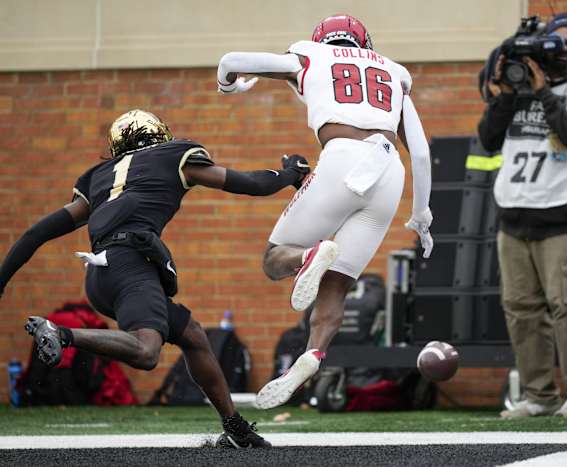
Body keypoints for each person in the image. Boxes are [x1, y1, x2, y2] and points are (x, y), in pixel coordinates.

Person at [0, 109, 310, 447]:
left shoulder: (99, 176)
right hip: (131, 263)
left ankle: (235, 429)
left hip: (100, 275)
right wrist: (290, 172)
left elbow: (35, 233)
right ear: (160, 135)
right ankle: (60, 333)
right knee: (147, 351)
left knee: (191, 335)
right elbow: (252, 184)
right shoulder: (174, 157)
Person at [216, 14, 434, 409]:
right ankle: (314, 353)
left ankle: (309, 255)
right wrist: (421, 215)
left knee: (273, 260)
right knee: (337, 284)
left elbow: (231, 60)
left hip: (342, 159)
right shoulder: (393, 72)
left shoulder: (309, 54)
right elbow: (419, 152)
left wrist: (228, 84)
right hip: (390, 174)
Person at [478, 13, 567, 418]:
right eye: (559, 41)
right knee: (520, 309)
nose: (565, 48)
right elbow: (488, 140)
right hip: (514, 215)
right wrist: (505, 93)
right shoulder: (516, 86)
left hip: (564, 218)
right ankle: (538, 395)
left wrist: (543, 94)